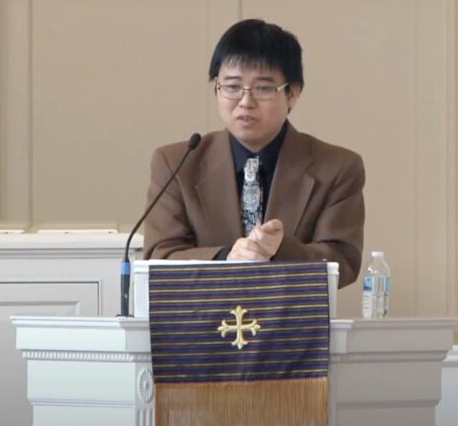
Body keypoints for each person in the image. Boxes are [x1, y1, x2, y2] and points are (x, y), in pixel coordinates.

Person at [142, 19, 365, 288]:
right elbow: (159, 255)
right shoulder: (177, 163)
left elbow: (344, 261)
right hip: (203, 313)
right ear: (217, 88)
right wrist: (225, 258)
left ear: (292, 93)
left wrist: (278, 250)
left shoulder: (337, 167)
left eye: (263, 88)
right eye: (232, 87)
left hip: (292, 314)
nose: (245, 102)